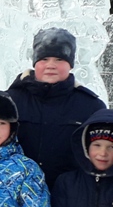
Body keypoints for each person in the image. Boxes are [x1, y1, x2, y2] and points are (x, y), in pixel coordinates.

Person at [7, 27, 106, 190]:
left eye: (59, 60)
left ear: (71, 64)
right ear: (35, 62)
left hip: (68, 197)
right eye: (44, 59)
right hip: (16, 194)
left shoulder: (91, 106)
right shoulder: (10, 100)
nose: (51, 65)